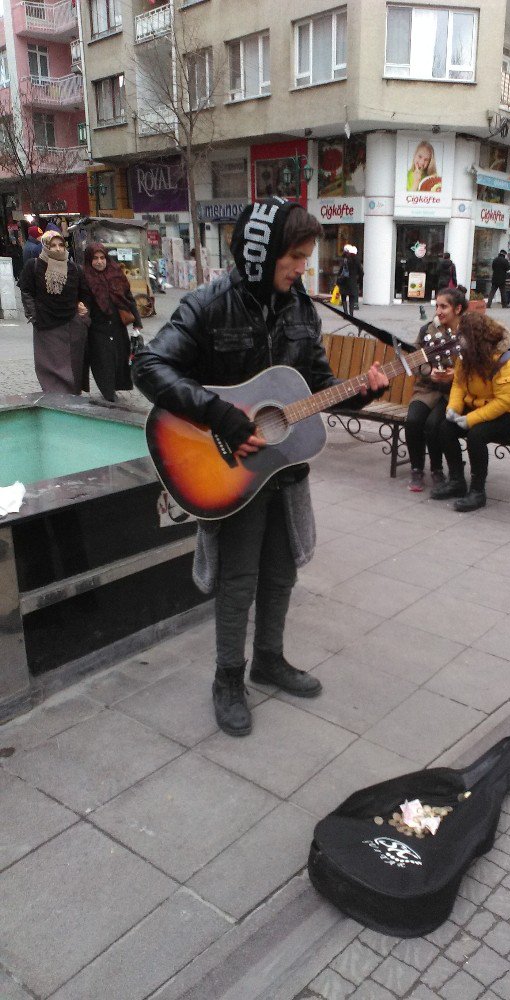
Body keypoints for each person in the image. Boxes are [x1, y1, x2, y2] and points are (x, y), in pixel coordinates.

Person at [133, 197, 388, 738]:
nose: (302, 269)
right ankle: (228, 678)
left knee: (281, 571)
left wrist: (361, 394)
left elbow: (318, 388)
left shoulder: (300, 309)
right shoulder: (207, 305)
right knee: (238, 577)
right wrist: (222, 416)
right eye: (294, 257)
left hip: (283, 468)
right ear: (261, 252)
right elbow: (149, 366)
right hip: (229, 470)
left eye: (305, 257)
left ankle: (269, 659)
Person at [431, 312, 510, 512]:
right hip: (483, 406)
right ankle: (457, 481)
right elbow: (459, 385)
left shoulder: (506, 361)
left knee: (477, 435)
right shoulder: (466, 356)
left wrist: (470, 419)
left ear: (477, 338)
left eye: (463, 336)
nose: (459, 340)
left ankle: (478, 492)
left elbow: (504, 401)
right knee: (446, 427)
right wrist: (453, 409)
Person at [406, 285, 467, 492]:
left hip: (454, 393)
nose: (438, 311)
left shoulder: (470, 331)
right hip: (427, 388)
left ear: (457, 309)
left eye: (444, 307)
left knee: (433, 425)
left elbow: (477, 365)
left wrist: (455, 375)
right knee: (413, 420)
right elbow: (415, 360)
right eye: (437, 306)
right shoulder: (427, 330)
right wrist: (428, 371)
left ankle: (437, 469)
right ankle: (416, 469)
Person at [18, 230, 91, 394]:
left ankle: (72, 396)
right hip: (45, 324)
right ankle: (54, 398)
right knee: (48, 365)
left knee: (73, 365)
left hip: (72, 324)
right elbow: (26, 291)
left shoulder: (75, 269)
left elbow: (85, 294)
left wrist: (83, 312)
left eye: (61, 245)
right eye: (53, 245)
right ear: (45, 246)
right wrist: (33, 315)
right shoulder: (34, 265)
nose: (58, 249)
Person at [83, 242, 142, 402]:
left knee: (119, 356)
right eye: (95, 258)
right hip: (97, 326)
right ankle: (108, 392)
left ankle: (115, 387)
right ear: (89, 260)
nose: (99, 261)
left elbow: (128, 298)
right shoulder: (85, 276)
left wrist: (137, 321)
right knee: (102, 359)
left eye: (102, 257)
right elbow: (82, 301)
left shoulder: (116, 273)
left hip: (117, 323)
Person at [336, 244, 363, 314]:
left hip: (344, 281)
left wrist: (338, 280)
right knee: (352, 298)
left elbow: (341, 271)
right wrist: (359, 282)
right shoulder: (357, 261)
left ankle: (345, 313)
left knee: (344, 297)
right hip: (352, 282)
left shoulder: (345, 260)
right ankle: (351, 314)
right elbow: (361, 273)